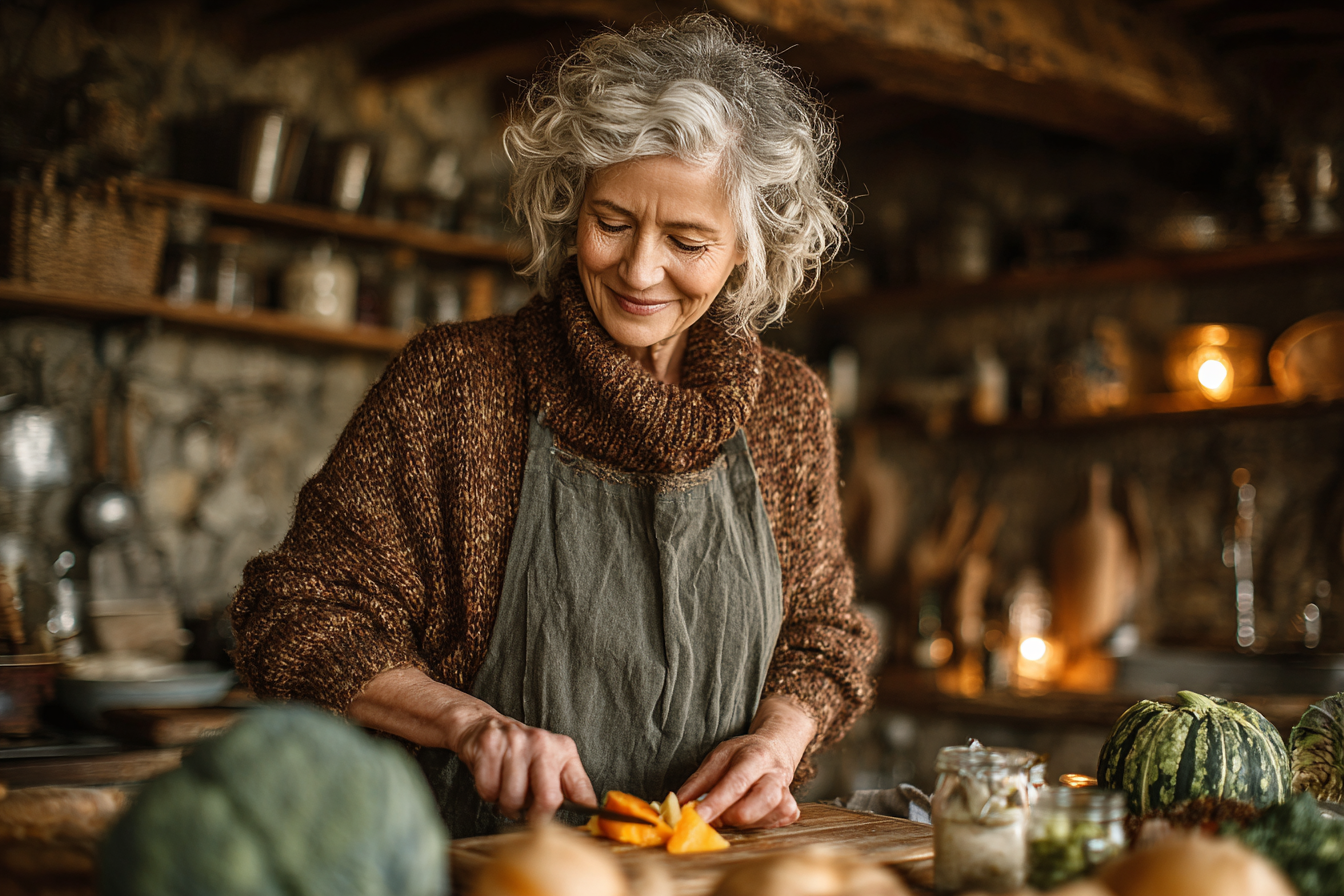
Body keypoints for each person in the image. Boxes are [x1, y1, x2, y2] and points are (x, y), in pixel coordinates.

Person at [230, 13, 878, 839]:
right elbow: (293, 609)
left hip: (714, 874)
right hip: (482, 871)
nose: (640, 270)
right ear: (571, 203)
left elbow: (825, 636)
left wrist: (779, 743)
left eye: (687, 239)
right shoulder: (456, 385)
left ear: (748, 248)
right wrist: (466, 722)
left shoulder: (789, 407)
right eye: (612, 222)